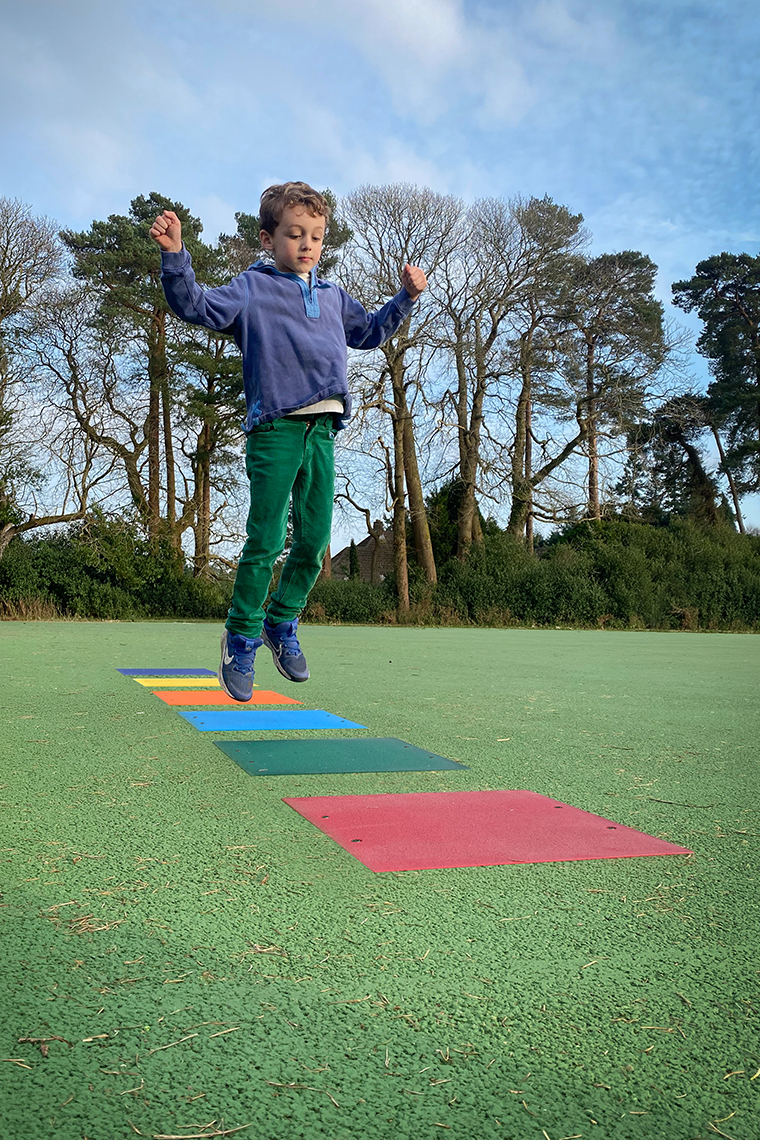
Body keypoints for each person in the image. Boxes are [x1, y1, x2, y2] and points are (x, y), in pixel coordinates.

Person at [150, 181, 427, 701]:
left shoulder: (333, 297)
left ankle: (281, 621)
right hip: (275, 428)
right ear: (268, 239)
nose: (307, 244)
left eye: (316, 236)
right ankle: (241, 637)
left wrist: (405, 298)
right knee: (267, 539)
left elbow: (369, 333)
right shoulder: (252, 289)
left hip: (323, 431)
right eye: (295, 234)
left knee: (314, 541)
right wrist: (175, 256)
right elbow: (197, 307)